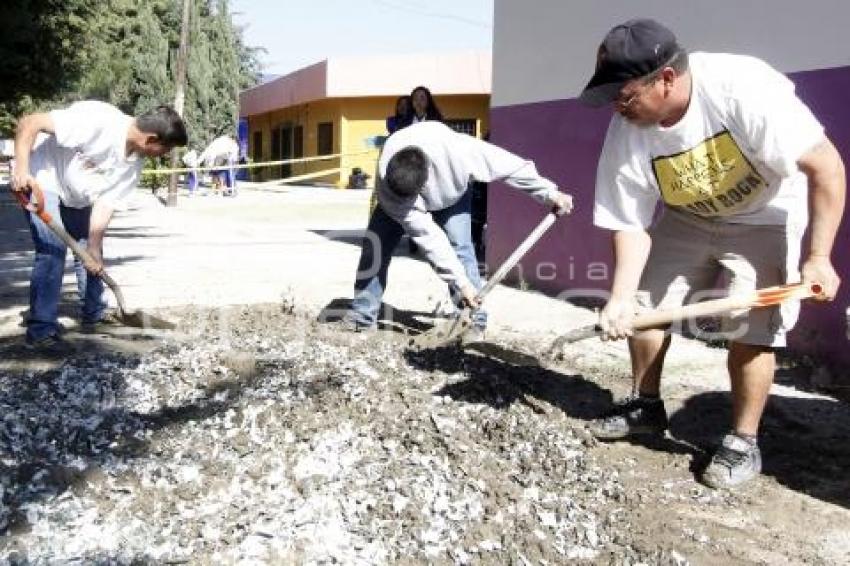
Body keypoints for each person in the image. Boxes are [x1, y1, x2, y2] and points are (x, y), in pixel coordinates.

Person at [578, 19, 845, 488]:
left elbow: (826, 167)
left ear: (665, 78)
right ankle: (644, 405)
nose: (618, 109)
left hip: (766, 212)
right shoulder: (629, 128)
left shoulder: (742, 89)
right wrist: (620, 298)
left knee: (753, 326)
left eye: (625, 96)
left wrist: (819, 256)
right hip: (687, 216)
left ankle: (743, 441)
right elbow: (630, 222)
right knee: (646, 307)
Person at [347, 121, 573, 337]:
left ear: (427, 180)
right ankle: (362, 316)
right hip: (395, 204)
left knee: (461, 248)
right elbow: (430, 240)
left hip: (452, 196)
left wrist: (549, 193)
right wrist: (461, 283)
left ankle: (472, 321)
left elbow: (511, 167)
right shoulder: (390, 180)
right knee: (375, 248)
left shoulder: (461, 152)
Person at [12, 101, 188, 350]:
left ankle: (94, 314)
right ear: (150, 139)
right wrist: (21, 169)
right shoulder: (98, 121)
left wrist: (94, 248)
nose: (165, 155)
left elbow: (105, 204)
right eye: (166, 149)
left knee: (90, 251)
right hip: (43, 178)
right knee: (52, 250)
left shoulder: (133, 164)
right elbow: (30, 122)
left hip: (77, 195)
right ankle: (41, 330)